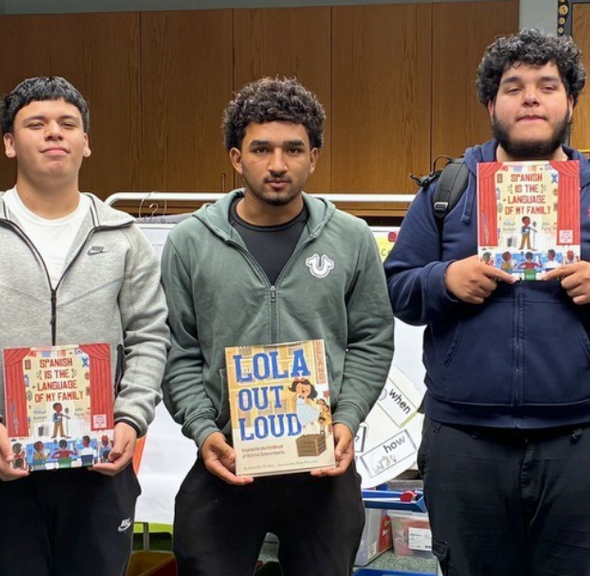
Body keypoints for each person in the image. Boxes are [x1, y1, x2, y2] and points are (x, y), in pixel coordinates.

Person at [384, 30, 590, 575]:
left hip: (585, 444)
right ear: (492, 104)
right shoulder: (447, 191)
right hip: (464, 440)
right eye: (513, 87)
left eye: (546, 85)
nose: (530, 97)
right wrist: (445, 280)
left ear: (571, 102)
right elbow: (398, 288)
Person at [0, 76, 169, 576]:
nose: (54, 133)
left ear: (86, 142)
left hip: (99, 463)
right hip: (3, 461)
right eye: (37, 123)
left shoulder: (123, 238)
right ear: (11, 143)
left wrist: (131, 417)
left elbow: (150, 334)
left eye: (67, 124)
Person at [160, 77, 394, 576]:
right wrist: (203, 432)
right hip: (226, 457)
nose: (278, 164)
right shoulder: (189, 242)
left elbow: (372, 340)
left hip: (321, 462)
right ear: (235, 156)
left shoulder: (351, 239)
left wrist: (347, 418)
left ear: (314, 156)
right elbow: (176, 350)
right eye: (261, 149)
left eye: (293, 149)